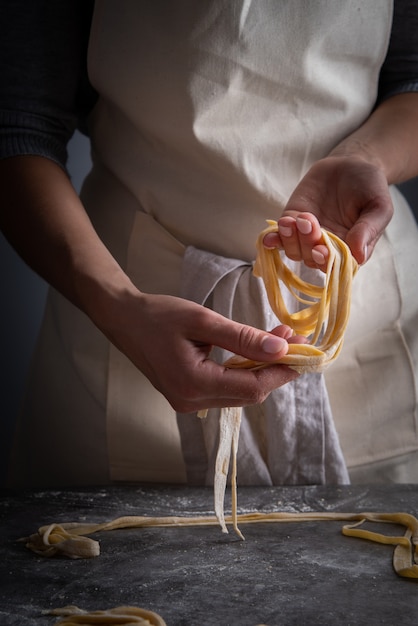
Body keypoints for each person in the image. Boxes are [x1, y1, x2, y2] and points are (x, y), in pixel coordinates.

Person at [1, 1, 418, 488]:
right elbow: (17, 126)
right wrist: (120, 306)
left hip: (363, 342)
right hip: (124, 323)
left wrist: (365, 156)